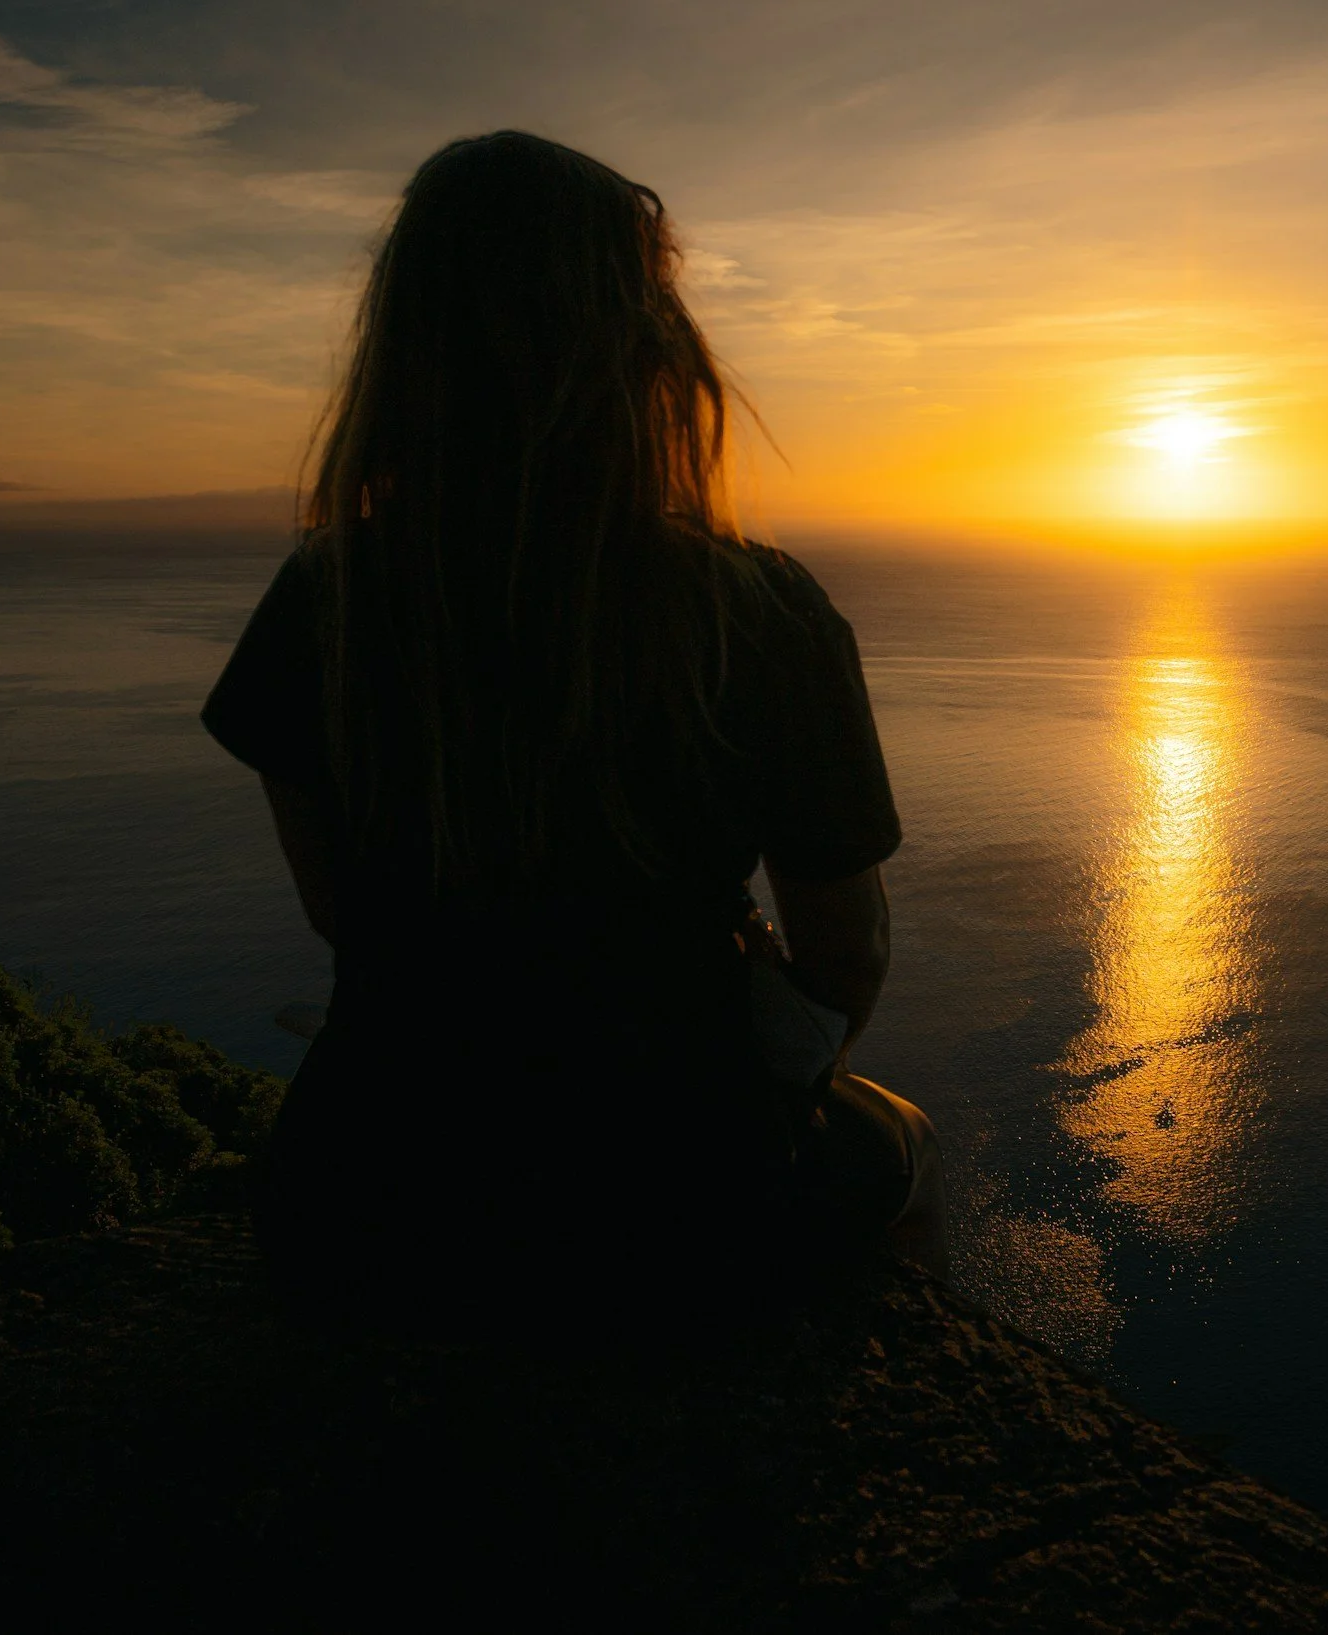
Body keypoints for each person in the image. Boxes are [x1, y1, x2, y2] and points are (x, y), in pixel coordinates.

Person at [200, 130, 943, 1324]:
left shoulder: (326, 599)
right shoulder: (752, 612)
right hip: (668, 1201)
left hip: (365, 1193)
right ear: (642, 345)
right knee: (899, 1152)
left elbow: (343, 908)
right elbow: (843, 949)